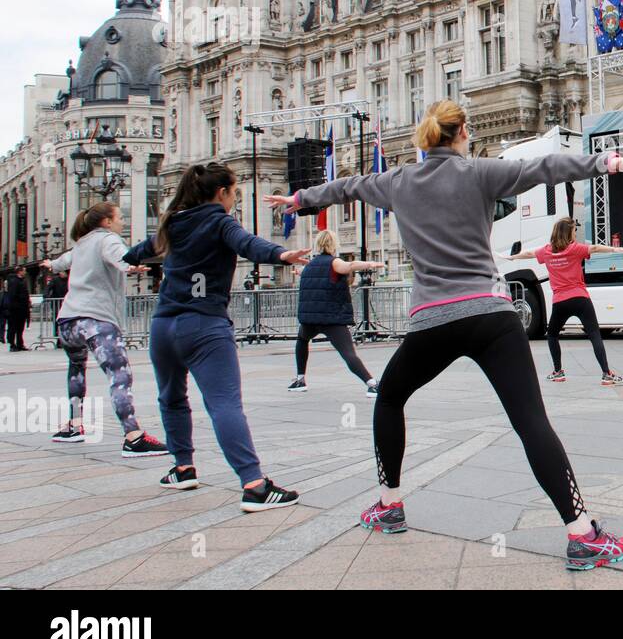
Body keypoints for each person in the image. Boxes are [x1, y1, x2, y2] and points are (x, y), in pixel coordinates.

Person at [266, 100, 623, 571]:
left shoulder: (399, 181)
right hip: (491, 315)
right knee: (531, 421)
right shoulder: (480, 172)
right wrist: (604, 162)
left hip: (434, 319)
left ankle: (389, 504)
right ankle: (582, 533)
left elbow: (349, 188)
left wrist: (300, 200)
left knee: (389, 397)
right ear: (463, 131)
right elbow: (543, 167)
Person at [124, 163, 311, 511]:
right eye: (234, 192)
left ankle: (183, 468)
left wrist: (128, 262)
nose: (233, 199)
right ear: (222, 193)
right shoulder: (219, 220)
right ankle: (254, 485)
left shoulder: (173, 222)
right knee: (224, 404)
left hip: (163, 326)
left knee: (172, 398)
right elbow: (247, 244)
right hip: (204, 325)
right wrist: (281, 254)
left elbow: (137, 251)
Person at [42, 202, 168, 455]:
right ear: (107, 222)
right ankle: (133, 436)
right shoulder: (108, 239)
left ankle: (74, 426)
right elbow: (120, 256)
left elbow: (61, 262)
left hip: (68, 321)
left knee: (76, 369)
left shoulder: (81, 244)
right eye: (120, 217)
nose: (122, 221)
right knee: (119, 375)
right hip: (95, 319)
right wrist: (130, 266)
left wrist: (50, 265)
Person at [502, 216, 623, 386]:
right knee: (594, 334)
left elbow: (530, 253)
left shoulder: (547, 251)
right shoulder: (575, 249)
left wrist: (513, 258)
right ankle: (606, 374)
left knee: (552, 334)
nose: (575, 234)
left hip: (560, 301)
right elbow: (595, 248)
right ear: (568, 232)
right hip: (580, 298)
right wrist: (614, 250)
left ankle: (558, 372)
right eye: (574, 231)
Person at [289, 229, 384, 397]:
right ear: (333, 244)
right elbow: (350, 266)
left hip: (310, 318)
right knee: (348, 353)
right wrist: (369, 264)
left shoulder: (310, 265)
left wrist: (298, 272)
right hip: (331, 318)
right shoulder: (334, 263)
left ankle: (300, 379)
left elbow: (308, 276)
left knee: (302, 340)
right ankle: (371, 384)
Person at [6, 272, 31, 351]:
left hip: (21, 308)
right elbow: (13, 296)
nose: (25, 272)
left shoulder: (22, 281)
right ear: (20, 272)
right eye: (24, 270)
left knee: (20, 328)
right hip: (15, 309)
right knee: (13, 327)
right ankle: (12, 345)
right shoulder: (14, 281)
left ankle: (20, 344)